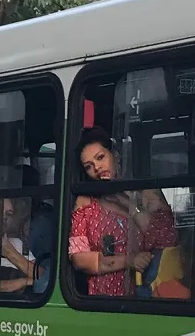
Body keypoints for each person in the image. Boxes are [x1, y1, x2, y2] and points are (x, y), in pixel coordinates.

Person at [69, 127, 175, 297]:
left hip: (148, 296)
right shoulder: (86, 203)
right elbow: (79, 259)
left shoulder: (146, 193)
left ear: (115, 155)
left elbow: (168, 239)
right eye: (89, 166)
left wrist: (127, 202)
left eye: (100, 158)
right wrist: (129, 260)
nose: (97, 167)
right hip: (101, 297)